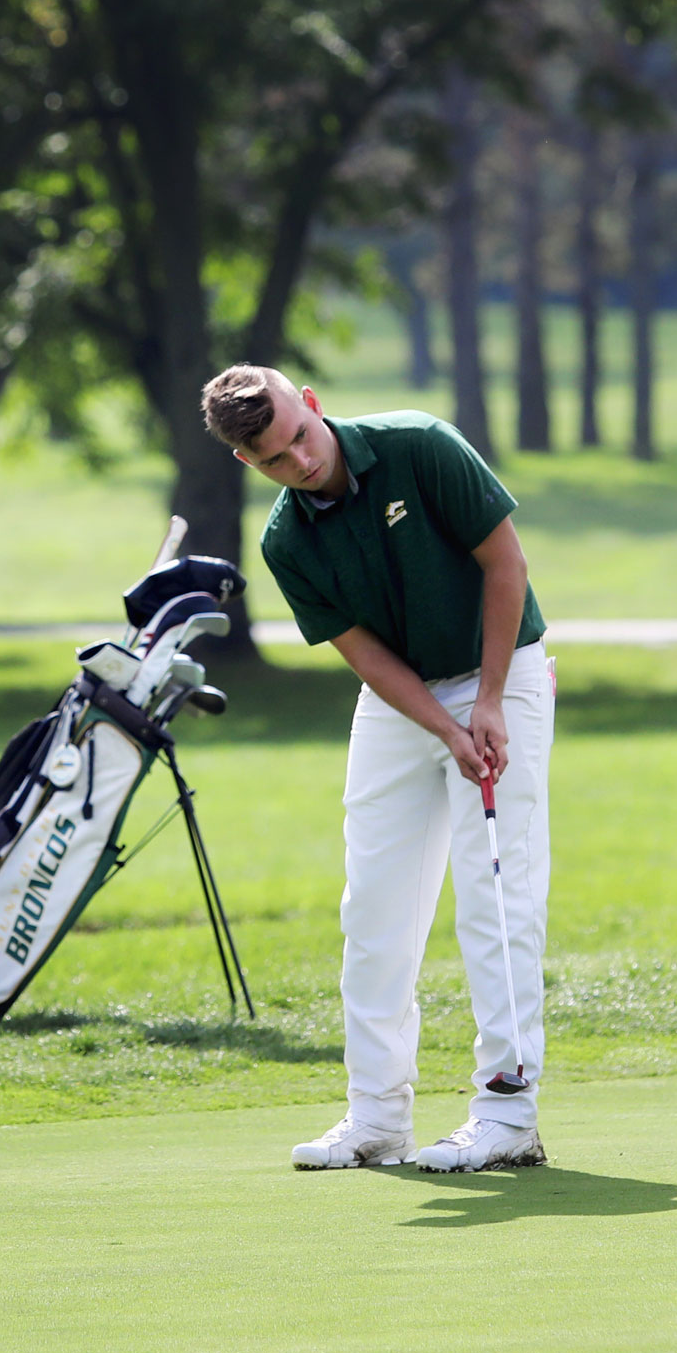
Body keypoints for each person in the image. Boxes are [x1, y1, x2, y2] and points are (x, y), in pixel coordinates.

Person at [200, 364, 553, 1173]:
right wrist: (442, 728)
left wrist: (487, 704)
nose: (301, 461)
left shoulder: (420, 445)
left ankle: (507, 1112)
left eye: (300, 435)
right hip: (401, 697)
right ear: (248, 465)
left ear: (312, 404)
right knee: (374, 907)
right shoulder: (286, 540)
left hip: (500, 671)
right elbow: (365, 657)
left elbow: (507, 564)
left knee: (495, 892)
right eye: (275, 459)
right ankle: (378, 1117)